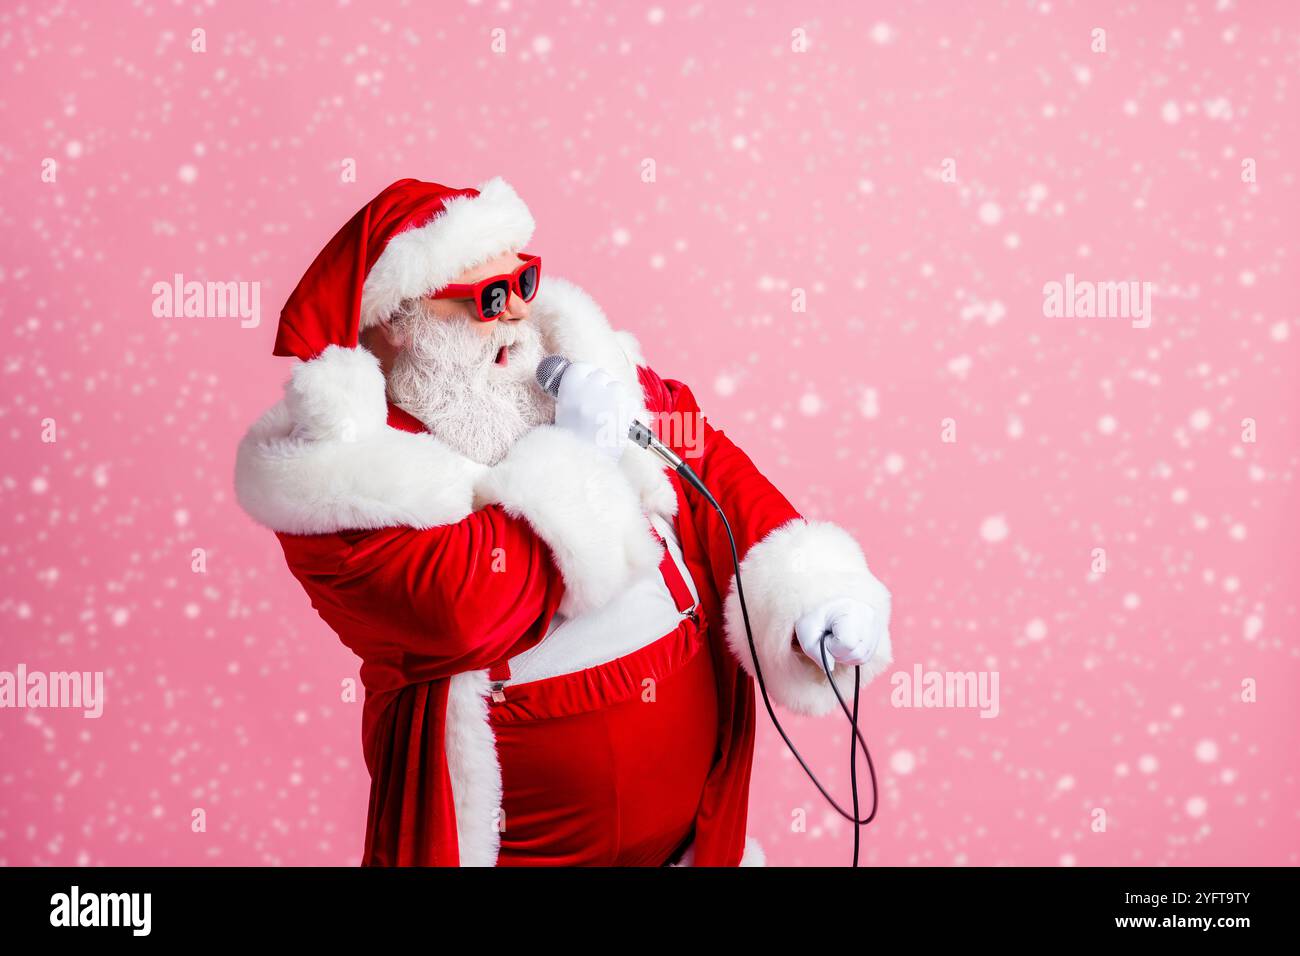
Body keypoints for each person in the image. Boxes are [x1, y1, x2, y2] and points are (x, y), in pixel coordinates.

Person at [234, 176, 894, 866]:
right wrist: (580, 456)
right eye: (488, 299)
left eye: (523, 283)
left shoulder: (589, 371)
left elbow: (707, 466)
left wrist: (814, 587)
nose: (518, 315)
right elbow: (463, 610)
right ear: (400, 321)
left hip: (688, 843)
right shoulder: (343, 481)